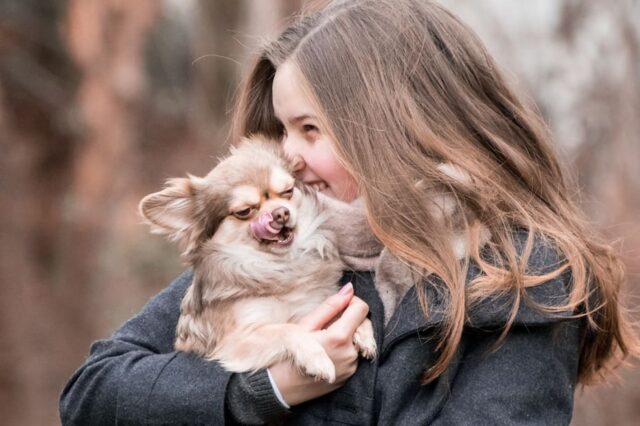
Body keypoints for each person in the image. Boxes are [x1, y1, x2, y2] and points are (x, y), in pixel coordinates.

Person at [59, 0, 639, 424]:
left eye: (309, 129)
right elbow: (92, 393)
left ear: (398, 127)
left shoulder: (519, 275)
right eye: (283, 130)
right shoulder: (272, 249)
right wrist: (263, 390)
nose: (288, 156)